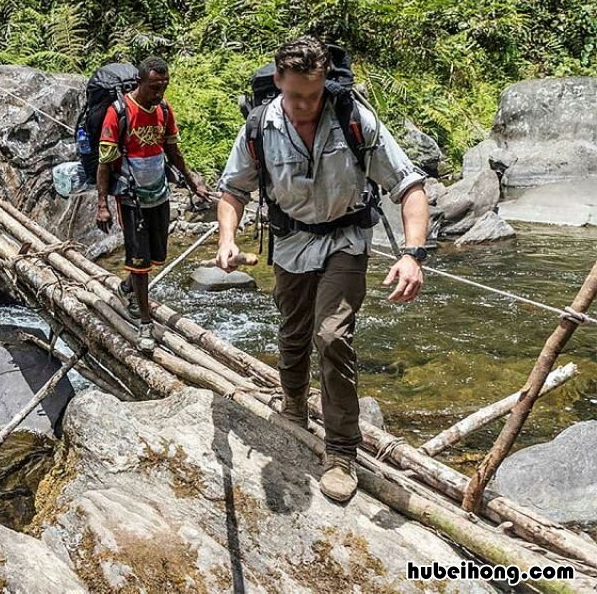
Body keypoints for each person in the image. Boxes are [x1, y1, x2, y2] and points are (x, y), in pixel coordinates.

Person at [214, 35, 429, 503]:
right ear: (278, 82)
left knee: (331, 336)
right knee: (293, 332)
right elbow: (233, 192)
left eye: (313, 95)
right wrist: (227, 239)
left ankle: (340, 451)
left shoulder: (354, 118)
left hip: (346, 240)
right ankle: (293, 405)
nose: (305, 106)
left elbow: (409, 185)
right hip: (290, 243)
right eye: (295, 96)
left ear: (325, 81)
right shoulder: (259, 127)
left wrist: (413, 254)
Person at [94, 56, 212, 355]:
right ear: (140, 83)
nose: (159, 92)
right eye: (154, 86)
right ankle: (145, 324)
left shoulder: (163, 110)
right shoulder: (118, 112)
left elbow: (173, 150)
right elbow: (105, 163)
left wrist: (192, 181)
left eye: (164, 85)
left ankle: (125, 289)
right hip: (131, 196)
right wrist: (102, 205)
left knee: (157, 253)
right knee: (139, 259)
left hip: (158, 192)